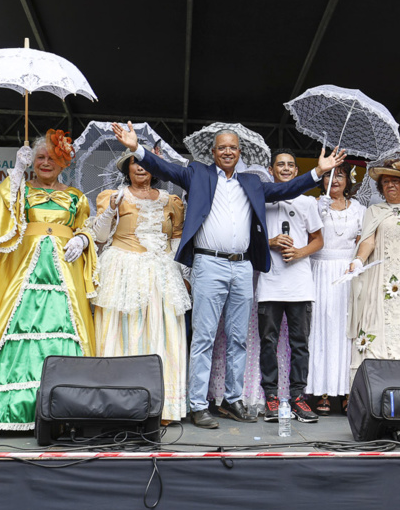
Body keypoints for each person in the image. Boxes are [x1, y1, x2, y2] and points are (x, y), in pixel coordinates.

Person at [111, 121, 345, 429]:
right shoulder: (197, 174)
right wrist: (136, 148)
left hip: (243, 266)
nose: (227, 151)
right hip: (210, 265)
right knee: (205, 337)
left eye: (232, 147)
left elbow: (286, 188)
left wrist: (317, 173)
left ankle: (234, 400)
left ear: (239, 152)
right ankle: (197, 404)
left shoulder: (251, 182)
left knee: (238, 339)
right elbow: (164, 168)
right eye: (222, 147)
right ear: (213, 151)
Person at [0, 130, 98, 434]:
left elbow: (88, 228)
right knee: (16, 329)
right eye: (40, 157)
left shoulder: (76, 197)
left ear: (64, 163)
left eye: (52, 157)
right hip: (24, 270)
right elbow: (4, 216)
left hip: (63, 273)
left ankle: (66, 411)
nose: (45, 162)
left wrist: (82, 239)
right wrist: (18, 170)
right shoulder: (20, 190)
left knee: (65, 329)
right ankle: (8, 411)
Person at [93, 151, 190, 423]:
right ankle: (117, 404)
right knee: (123, 332)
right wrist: (111, 208)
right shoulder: (113, 195)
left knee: (163, 332)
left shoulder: (171, 201)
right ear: (127, 167)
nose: (140, 167)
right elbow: (100, 237)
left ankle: (161, 406)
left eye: (146, 162)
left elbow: (176, 241)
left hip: (162, 273)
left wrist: (183, 275)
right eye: (135, 162)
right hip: (123, 269)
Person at [347, 159, 400, 392]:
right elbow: (368, 240)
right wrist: (358, 260)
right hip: (382, 279)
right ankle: (376, 384)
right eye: (385, 182)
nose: (390, 186)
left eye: (395, 181)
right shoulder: (374, 211)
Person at [257, 149, 324, 423]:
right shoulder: (261, 199)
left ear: (296, 171)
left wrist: (300, 253)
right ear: (271, 170)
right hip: (270, 283)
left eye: (290, 165)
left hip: (299, 284)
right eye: (280, 165)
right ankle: (271, 397)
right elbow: (247, 240)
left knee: (300, 344)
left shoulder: (308, 202)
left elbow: (318, 240)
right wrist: (270, 242)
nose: (285, 169)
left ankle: (298, 397)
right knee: (268, 342)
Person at [306, 163, 365, 415]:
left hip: (348, 273)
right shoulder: (313, 205)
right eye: (329, 174)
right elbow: (306, 237)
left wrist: (357, 261)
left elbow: (363, 240)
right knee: (320, 328)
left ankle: (348, 389)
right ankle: (322, 391)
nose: (335, 179)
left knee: (346, 330)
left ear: (348, 180)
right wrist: (315, 213)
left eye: (340, 174)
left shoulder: (360, 210)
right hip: (319, 270)